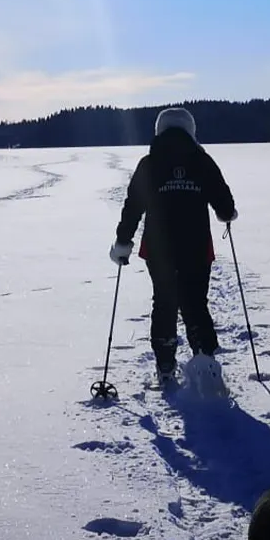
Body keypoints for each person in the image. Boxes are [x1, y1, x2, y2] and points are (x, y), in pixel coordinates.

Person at [111, 107, 237, 380]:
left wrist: (123, 241)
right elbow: (224, 202)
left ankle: (165, 364)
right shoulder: (202, 161)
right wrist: (226, 214)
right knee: (195, 302)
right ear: (190, 130)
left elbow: (133, 206)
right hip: (197, 246)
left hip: (159, 249)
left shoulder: (149, 163)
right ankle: (204, 359)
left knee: (165, 301)